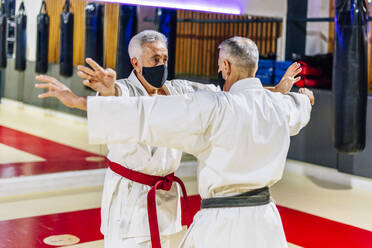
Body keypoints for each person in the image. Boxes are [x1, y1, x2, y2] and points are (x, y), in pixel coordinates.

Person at [35, 33, 310, 248]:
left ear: (225, 66)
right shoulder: (126, 89)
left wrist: (276, 90)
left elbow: (238, 96)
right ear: (135, 62)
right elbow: (131, 108)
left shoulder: (186, 92)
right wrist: (102, 93)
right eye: (155, 59)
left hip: (178, 202)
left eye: (165, 59)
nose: (162, 65)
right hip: (132, 198)